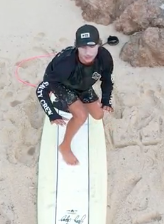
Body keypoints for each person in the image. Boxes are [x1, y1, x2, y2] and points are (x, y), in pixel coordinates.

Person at [36, 24, 114, 165]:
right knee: (81, 115)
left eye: (92, 46)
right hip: (62, 86)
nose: (87, 52)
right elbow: (42, 89)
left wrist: (106, 101)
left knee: (98, 115)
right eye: (83, 47)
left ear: (99, 45)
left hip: (83, 85)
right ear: (76, 46)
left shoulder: (105, 57)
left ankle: (71, 104)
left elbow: (107, 80)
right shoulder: (65, 63)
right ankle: (64, 146)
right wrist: (52, 114)